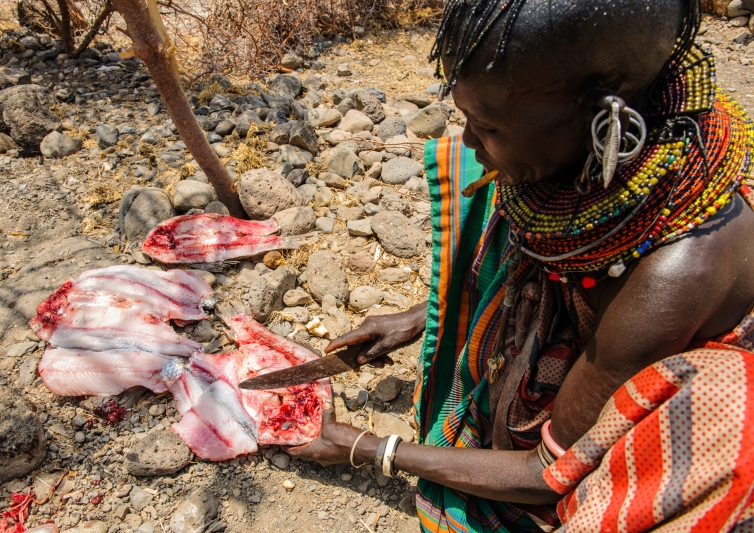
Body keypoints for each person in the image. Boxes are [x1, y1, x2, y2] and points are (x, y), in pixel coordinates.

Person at [288, 0, 754, 531]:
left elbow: (548, 474)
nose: (467, 140)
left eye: (487, 126)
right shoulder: (600, 151)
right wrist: (421, 317)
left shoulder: (671, 278)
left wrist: (368, 448)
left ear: (605, 117)